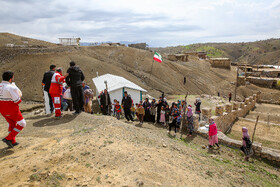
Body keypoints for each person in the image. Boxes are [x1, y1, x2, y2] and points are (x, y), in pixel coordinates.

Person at [0, 71, 26, 148]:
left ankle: (12, 141)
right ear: (11, 79)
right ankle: (8, 138)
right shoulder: (11, 87)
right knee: (22, 123)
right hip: (12, 110)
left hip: (2, 110)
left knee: (12, 124)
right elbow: (17, 101)